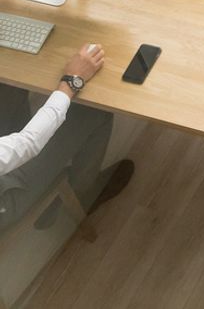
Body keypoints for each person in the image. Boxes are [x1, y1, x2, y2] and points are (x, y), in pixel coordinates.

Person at [1, 44, 134, 231]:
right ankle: (84, 195)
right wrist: (72, 81)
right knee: (91, 111)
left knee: (7, 80)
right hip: (6, 193)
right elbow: (27, 144)